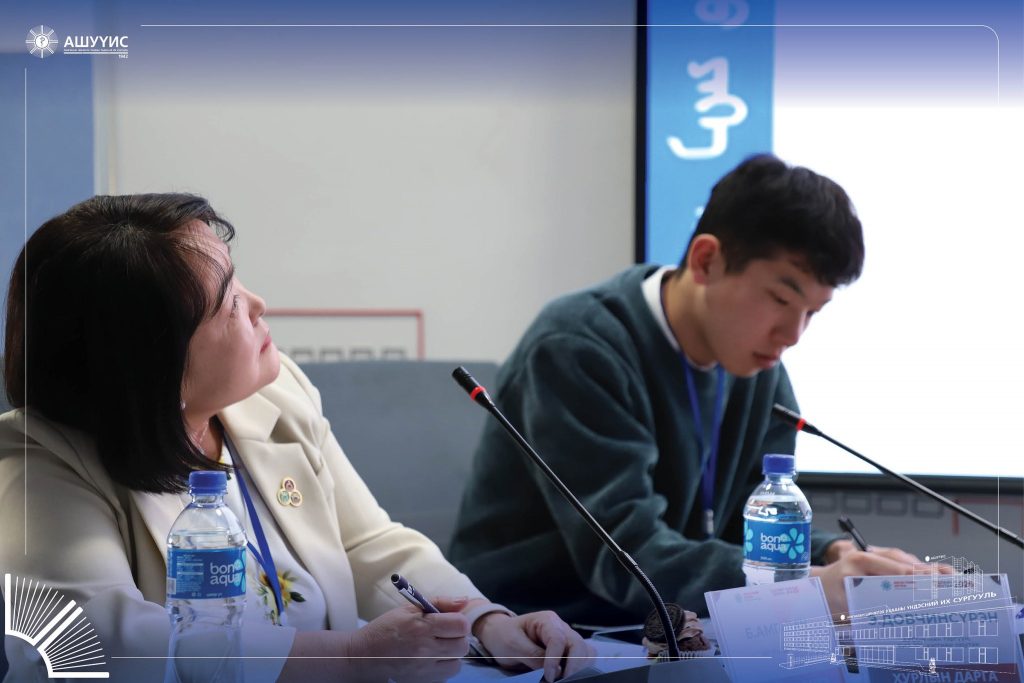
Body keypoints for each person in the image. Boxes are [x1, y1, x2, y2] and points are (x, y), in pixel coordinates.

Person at [0, 194, 592, 683]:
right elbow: (96, 645)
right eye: (230, 304)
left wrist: (486, 623)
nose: (259, 304)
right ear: (155, 367)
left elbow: (367, 544)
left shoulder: (274, 396)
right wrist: (352, 659)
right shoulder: (38, 464)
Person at [450, 154, 931, 626]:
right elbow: (624, 556)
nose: (793, 334)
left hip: (668, 628)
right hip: (535, 633)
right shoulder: (579, 348)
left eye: (813, 313)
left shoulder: (758, 367)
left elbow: (747, 522)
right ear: (706, 261)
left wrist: (831, 552)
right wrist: (804, 587)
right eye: (780, 299)